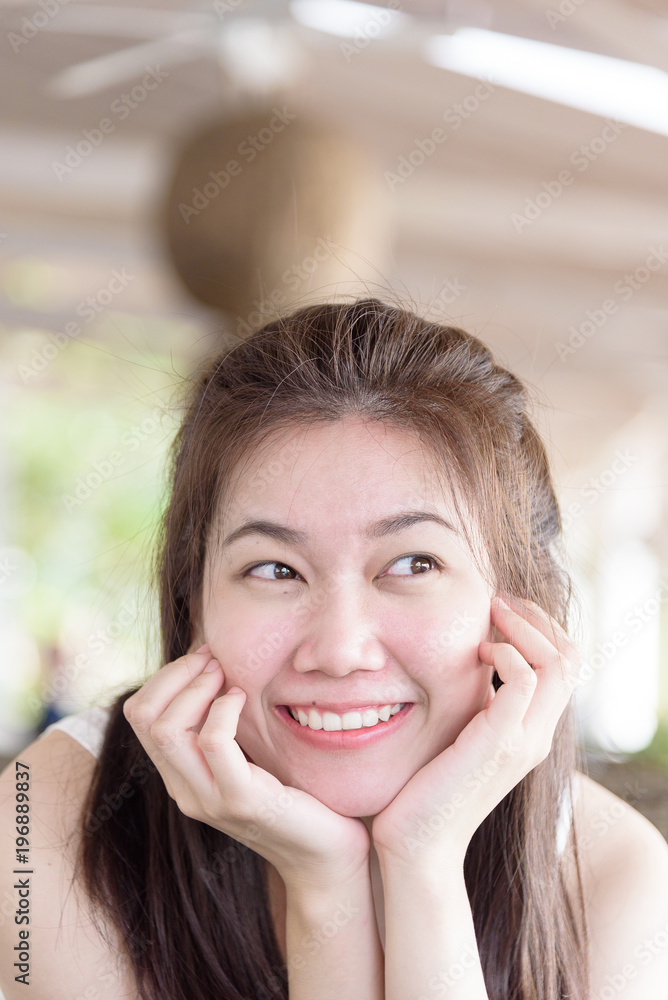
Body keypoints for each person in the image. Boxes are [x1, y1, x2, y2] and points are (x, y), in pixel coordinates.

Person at [1, 296, 668, 1000]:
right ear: (192, 605)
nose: (341, 649)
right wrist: (327, 889)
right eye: (274, 569)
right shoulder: (44, 824)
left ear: (518, 609)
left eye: (412, 564)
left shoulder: (614, 881)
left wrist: (423, 862)